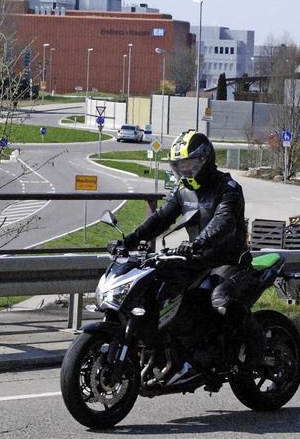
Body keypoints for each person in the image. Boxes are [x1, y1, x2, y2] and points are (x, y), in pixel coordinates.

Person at [107, 130, 262, 369]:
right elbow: (160, 219)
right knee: (159, 292)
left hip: (228, 260)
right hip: (195, 260)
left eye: (190, 165)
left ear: (205, 161)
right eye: (180, 166)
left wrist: (199, 242)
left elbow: (225, 222)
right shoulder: (182, 191)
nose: (185, 171)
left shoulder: (228, 188)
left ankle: (254, 348)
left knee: (221, 301)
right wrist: (129, 240)